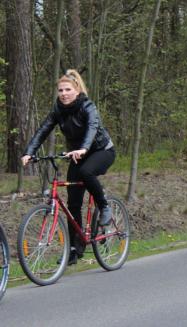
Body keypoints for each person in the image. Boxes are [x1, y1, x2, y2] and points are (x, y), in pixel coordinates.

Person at [21, 69, 115, 265]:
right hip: (77, 155)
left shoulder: (88, 106)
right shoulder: (58, 110)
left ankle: (104, 206)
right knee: (73, 204)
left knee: (86, 172)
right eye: (60, 90)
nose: (63, 93)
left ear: (77, 90)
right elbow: (43, 130)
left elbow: (92, 128)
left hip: (101, 150)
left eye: (68, 89)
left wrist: (83, 148)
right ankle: (75, 248)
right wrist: (29, 151)